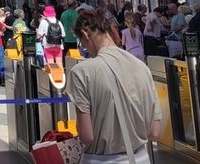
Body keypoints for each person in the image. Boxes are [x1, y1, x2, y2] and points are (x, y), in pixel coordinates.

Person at [68, 11, 162, 163]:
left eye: (81, 42)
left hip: (100, 159)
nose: (84, 47)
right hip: (140, 158)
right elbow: (155, 132)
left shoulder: (81, 72)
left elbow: (87, 136)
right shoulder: (141, 67)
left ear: (85, 33)